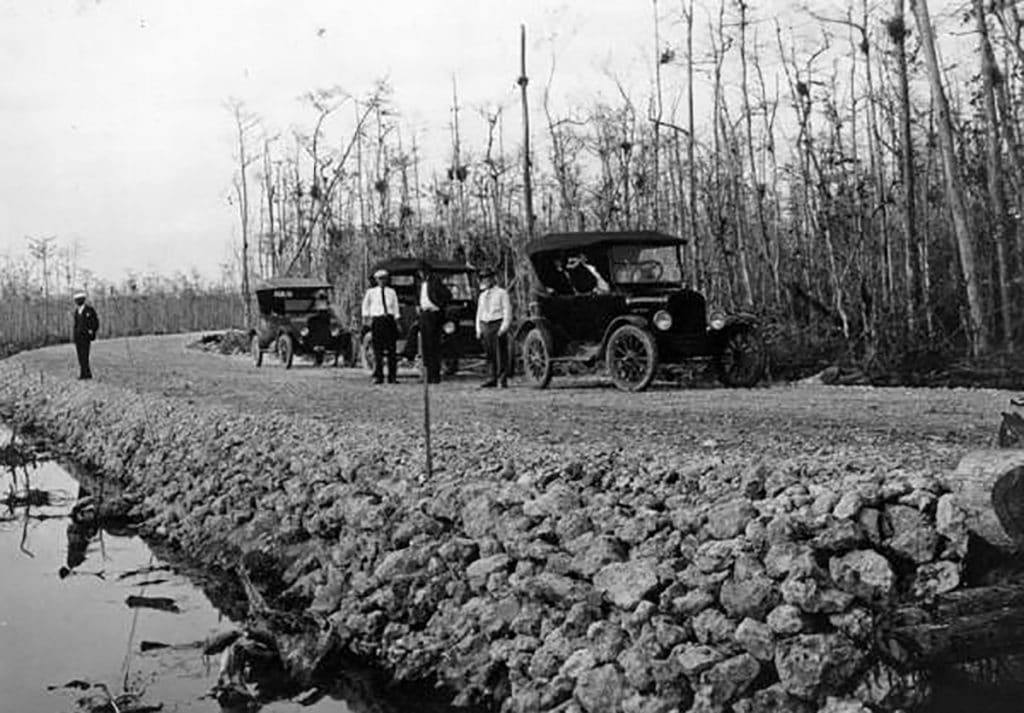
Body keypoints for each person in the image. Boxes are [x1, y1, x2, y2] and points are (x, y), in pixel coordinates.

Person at [475, 266, 513, 388]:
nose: (486, 281)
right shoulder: (482, 295)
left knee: (500, 353)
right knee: (489, 354)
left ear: (493, 279)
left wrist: (504, 327)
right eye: (483, 278)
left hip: (497, 322)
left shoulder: (502, 293)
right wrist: (478, 328)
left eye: (488, 278)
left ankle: (502, 378)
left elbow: (507, 310)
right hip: (485, 323)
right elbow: (479, 313)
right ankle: (491, 378)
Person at [361, 269, 400, 384]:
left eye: (384, 279)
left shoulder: (391, 292)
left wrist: (397, 322)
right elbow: (365, 306)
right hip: (377, 320)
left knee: (391, 350)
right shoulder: (371, 292)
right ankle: (379, 376)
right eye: (380, 279)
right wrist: (366, 319)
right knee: (378, 350)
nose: (382, 281)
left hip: (389, 320)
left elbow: (396, 307)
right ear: (376, 280)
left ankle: (392, 377)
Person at [417, 263, 453, 384]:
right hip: (424, 315)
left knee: (434, 346)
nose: (421, 274)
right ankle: (427, 375)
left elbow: (448, 295)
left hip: (434, 314)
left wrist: (439, 305)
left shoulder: (435, 282)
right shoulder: (420, 284)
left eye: (422, 271)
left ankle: (435, 375)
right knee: (425, 346)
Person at [71, 291, 99, 379]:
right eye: (76, 300)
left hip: (85, 336)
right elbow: (76, 324)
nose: (77, 302)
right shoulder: (76, 311)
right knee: (80, 356)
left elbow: (95, 322)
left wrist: (92, 331)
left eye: (79, 300)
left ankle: (86, 374)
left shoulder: (89, 310)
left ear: (83, 300)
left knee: (85, 355)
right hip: (78, 337)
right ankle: (84, 373)